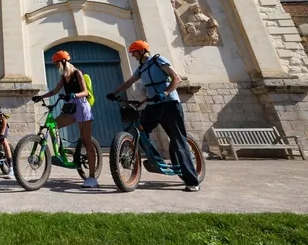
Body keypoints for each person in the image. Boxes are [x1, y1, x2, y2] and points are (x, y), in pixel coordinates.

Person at [106, 40, 200, 192]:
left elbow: (176, 78)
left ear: (142, 51)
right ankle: (156, 160)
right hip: (153, 105)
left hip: (170, 104)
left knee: (178, 140)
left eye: (134, 52)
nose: (133, 55)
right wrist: (113, 93)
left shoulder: (158, 60)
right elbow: (129, 82)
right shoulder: (142, 68)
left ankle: (192, 181)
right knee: (140, 129)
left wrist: (165, 93)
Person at [32, 50, 99, 189]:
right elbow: (54, 92)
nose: (56, 66)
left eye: (57, 63)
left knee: (87, 142)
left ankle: (92, 178)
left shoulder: (77, 73)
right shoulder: (64, 78)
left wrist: (74, 95)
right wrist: (41, 97)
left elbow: (85, 92)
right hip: (71, 107)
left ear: (63, 62)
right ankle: (61, 153)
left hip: (82, 106)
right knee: (54, 124)